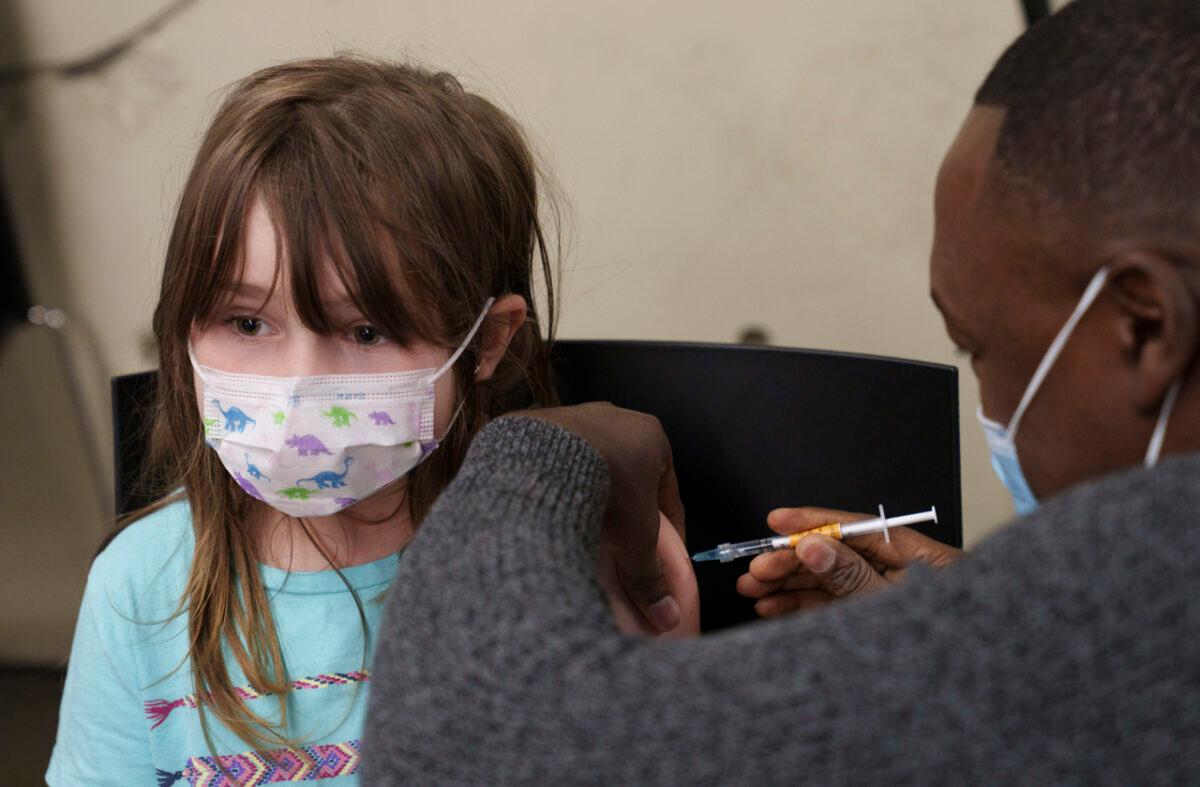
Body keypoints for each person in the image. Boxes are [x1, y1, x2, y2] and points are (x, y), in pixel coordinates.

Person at [362, 1, 1200, 782]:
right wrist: (961, 640)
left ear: (1146, 326)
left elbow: (472, 743)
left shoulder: (1155, 580)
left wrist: (542, 453)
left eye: (978, 345)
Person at [47, 56, 697, 787]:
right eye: (247, 321)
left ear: (485, 342)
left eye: (365, 332)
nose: (298, 387)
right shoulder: (140, 584)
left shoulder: (586, 560)